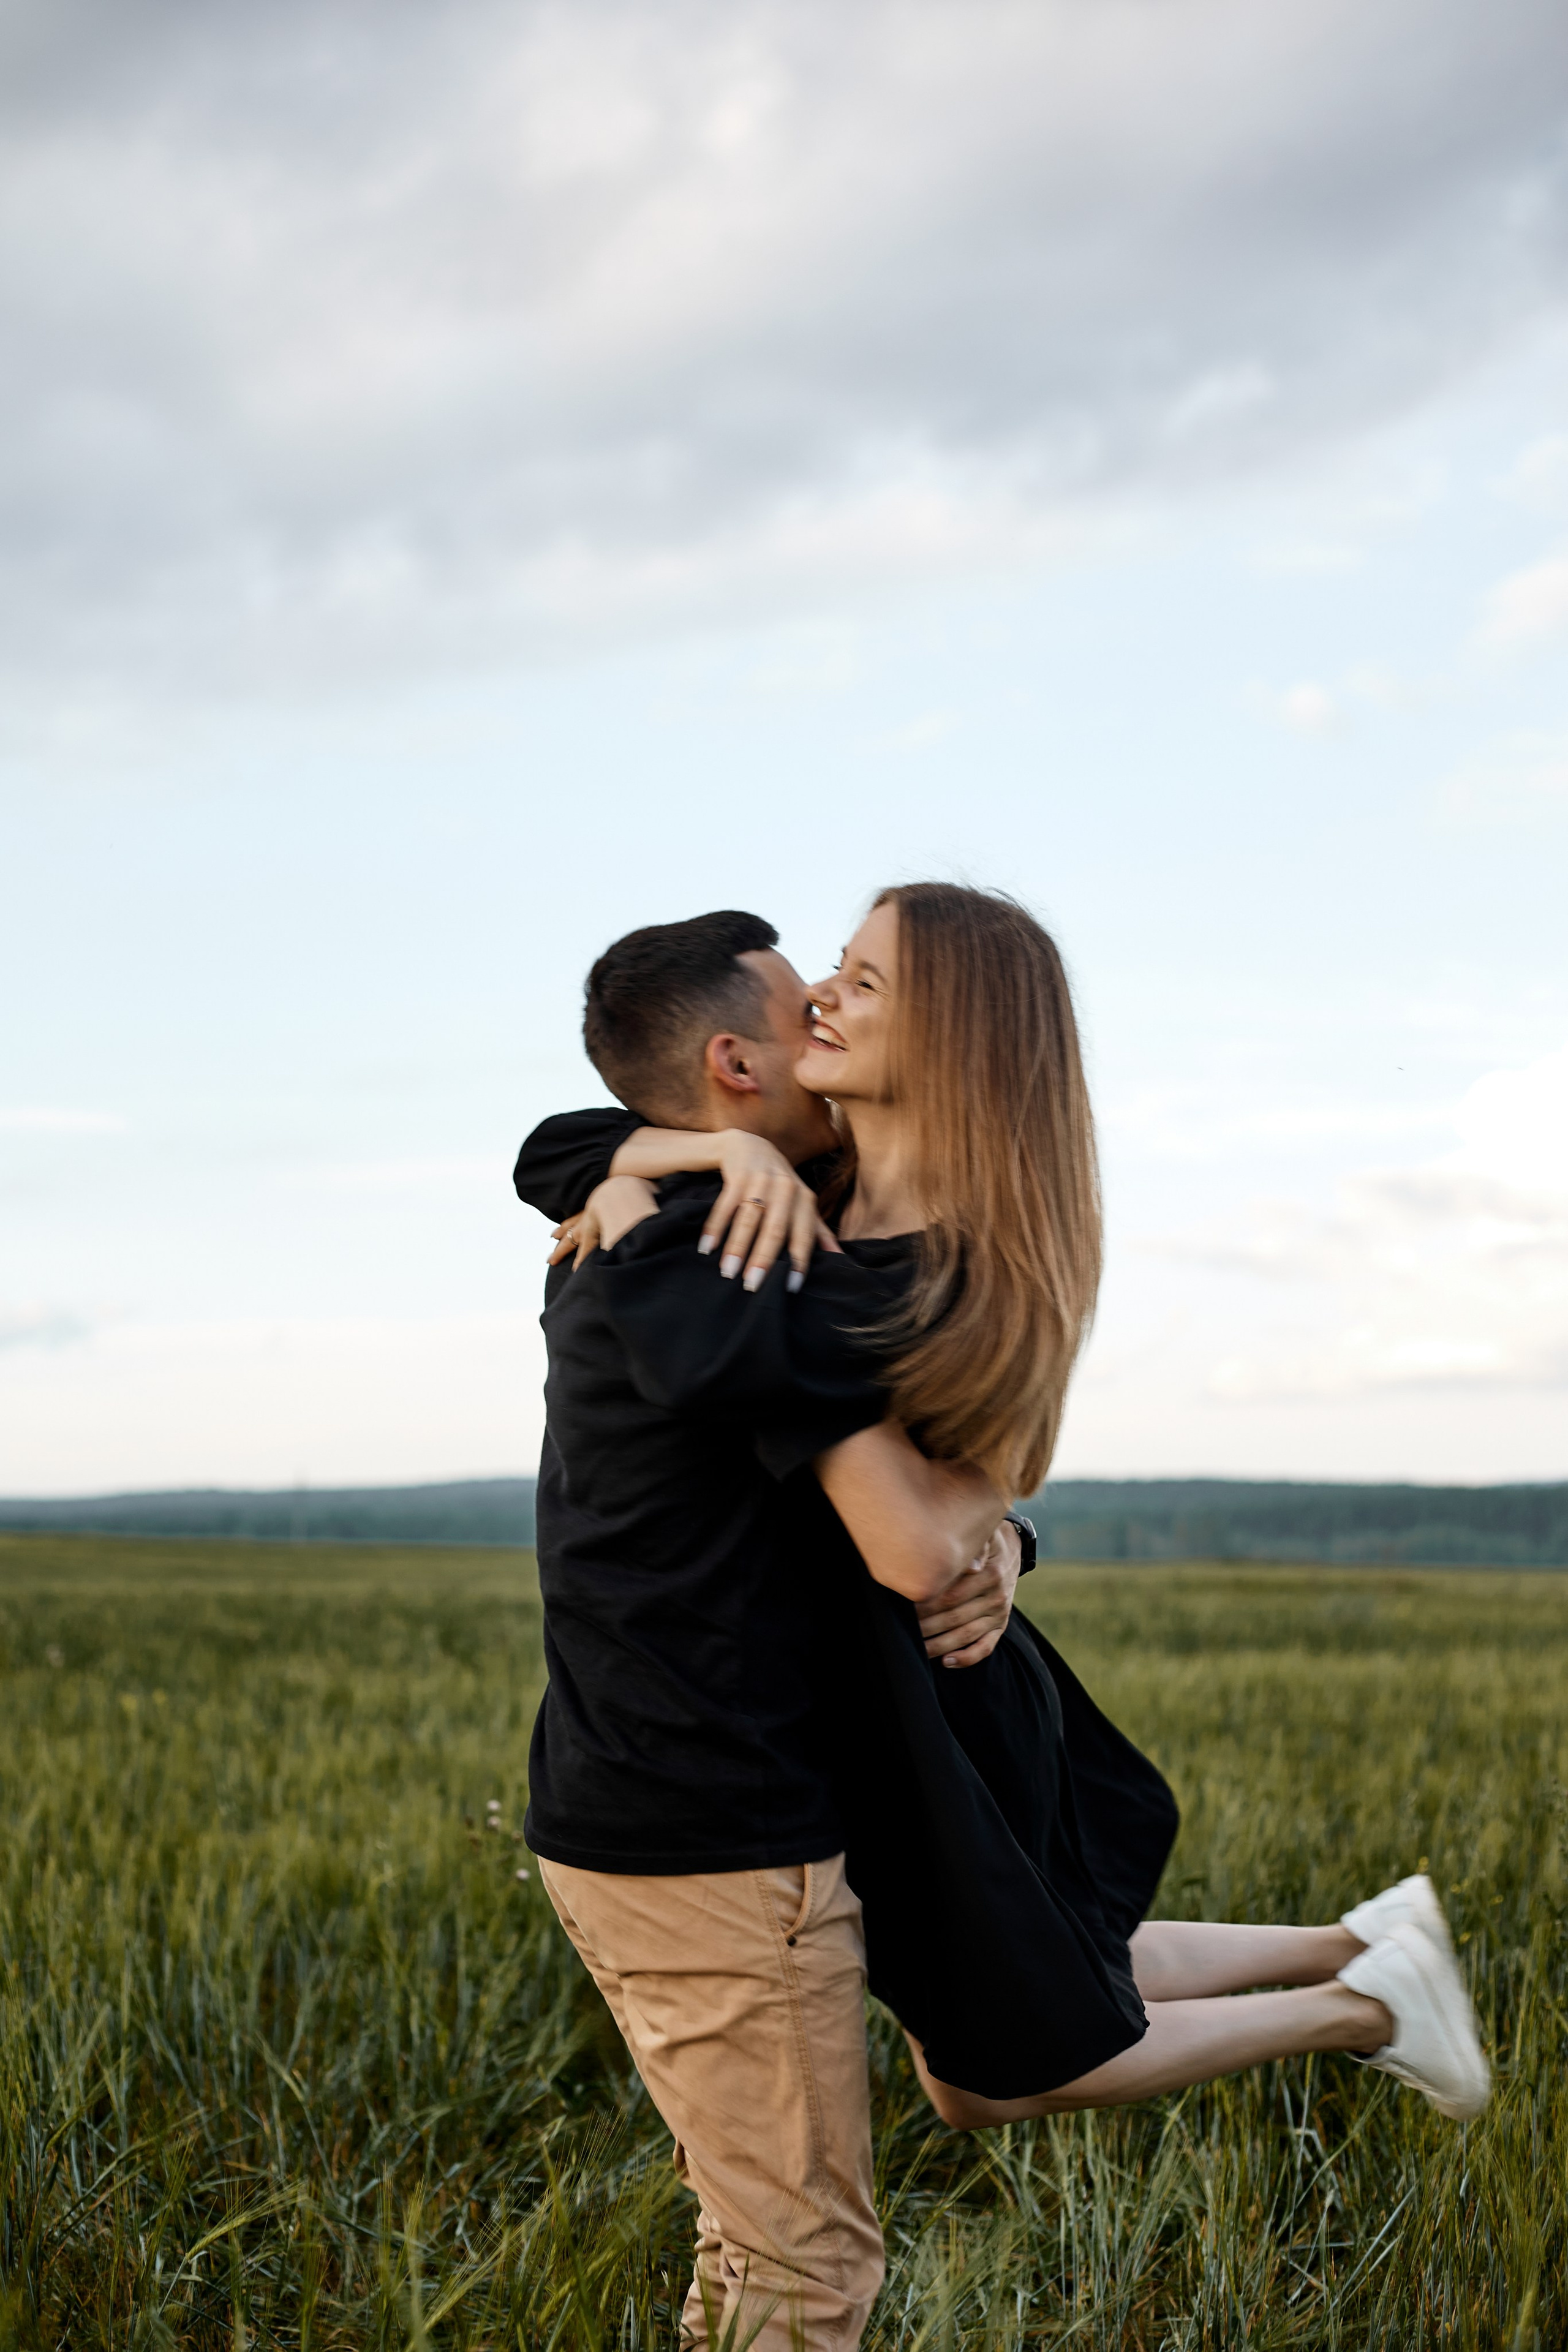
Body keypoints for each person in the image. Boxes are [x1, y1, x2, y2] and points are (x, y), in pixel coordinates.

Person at [537, 883, 1491, 2145]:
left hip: (929, 1700)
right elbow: (560, 1138)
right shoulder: (802, 1186)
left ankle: (1366, 1999)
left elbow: (928, 1520)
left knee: (998, 2055)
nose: (822, 994)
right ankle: (1363, 1959)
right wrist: (667, 1154)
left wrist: (992, 1539)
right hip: (858, 1696)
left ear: (949, 1040)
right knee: (999, 2037)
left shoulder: (931, 1268)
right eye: (832, 965)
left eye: (860, 982)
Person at [513, 909, 1027, 2352]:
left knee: (761, 2256)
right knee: (799, 2280)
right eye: (808, 1007)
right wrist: (677, 1157)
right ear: (736, 1061)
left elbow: (561, 1136)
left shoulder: (747, 1192)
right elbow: (915, 1540)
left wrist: (675, 1145)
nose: (825, 1023)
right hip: (705, 1824)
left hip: (675, 1804)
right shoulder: (715, 1249)